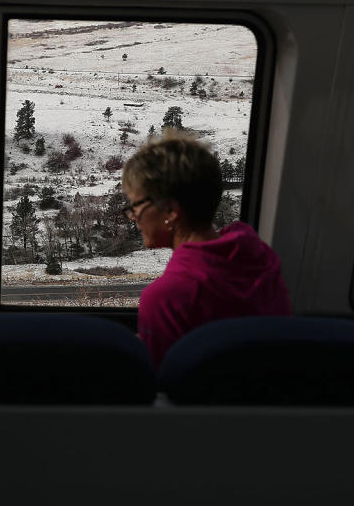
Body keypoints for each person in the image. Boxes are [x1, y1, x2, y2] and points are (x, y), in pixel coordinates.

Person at [121, 130, 291, 367]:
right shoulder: (261, 258)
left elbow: (160, 387)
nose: (133, 217)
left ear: (171, 211)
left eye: (136, 206)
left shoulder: (166, 298)